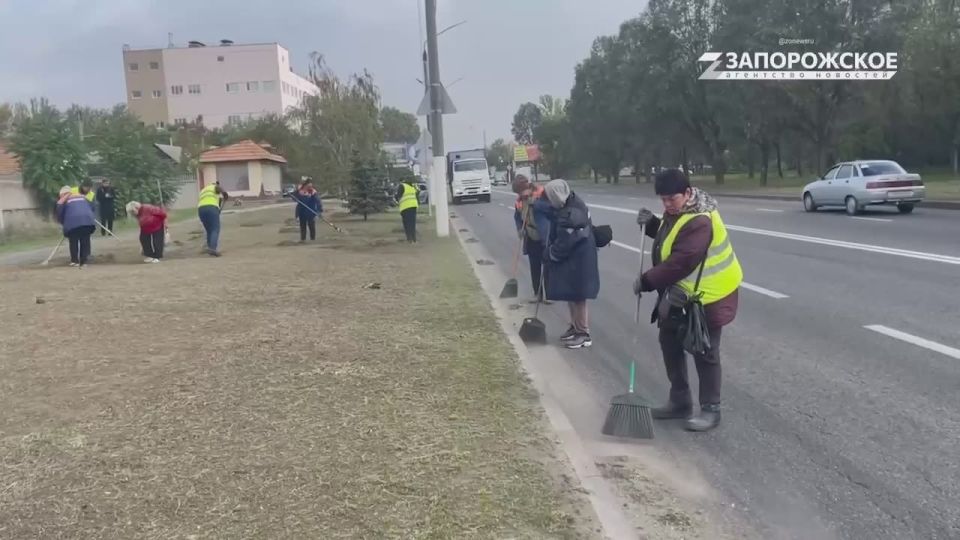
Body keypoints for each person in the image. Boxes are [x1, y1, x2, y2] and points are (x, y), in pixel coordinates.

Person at [633, 169, 742, 432]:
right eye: (663, 200)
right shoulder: (678, 214)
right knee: (669, 341)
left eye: (672, 199)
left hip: (710, 295)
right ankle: (680, 401)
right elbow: (672, 237)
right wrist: (652, 226)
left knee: (704, 350)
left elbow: (682, 260)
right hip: (682, 294)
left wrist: (647, 281)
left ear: (688, 193)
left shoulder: (700, 220)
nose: (668, 204)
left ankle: (711, 410)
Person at [542, 179, 600, 349]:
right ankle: (575, 327)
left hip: (580, 258)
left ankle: (583, 333)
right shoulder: (569, 203)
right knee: (571, 294)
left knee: (578, 295)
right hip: (575, 257)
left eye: (550, 197)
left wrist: (550, 253)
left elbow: (566, 241)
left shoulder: (573, 213)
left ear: (557, 196)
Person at [512, 173, 552, 304]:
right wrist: (519, 229)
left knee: (547, 266)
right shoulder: (519, 201)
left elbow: (551, 210)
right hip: (530, 236)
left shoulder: (542, 195)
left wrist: (535, 204)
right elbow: (517, 217)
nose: (521, 195)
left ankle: (549, 294)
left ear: (528, 186)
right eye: (518, 192)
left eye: (521, 191)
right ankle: (537, 294)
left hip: (544, 236)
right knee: (534, 267)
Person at [56, 185, 96, 268]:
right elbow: (92, 207)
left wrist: (64, 223)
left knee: (73, 241)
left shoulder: (63, 200)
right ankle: (84, 261)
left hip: (73, 223)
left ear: (62, 194)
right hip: (88, 222)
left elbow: (60, 213)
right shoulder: (82, 196)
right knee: (85, 241)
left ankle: (75, 261)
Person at [197, 181, 228, 256]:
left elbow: (218, 202)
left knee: (209, 230)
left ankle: (209, 248)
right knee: (215, 229)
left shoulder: (203, 191)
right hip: (211, 207)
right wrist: (224, 193)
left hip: (201, 209)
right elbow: (218, 188)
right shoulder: (214, 187)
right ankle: (213, 249)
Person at [395, 176, 420, 243]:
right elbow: (418, 192)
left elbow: (398, 196)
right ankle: (414, 239)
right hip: (413, 206)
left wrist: (397, 201)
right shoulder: (413, 186)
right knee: (412, 223)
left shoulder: (402, 186)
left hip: (405, 207)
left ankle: (409, 239)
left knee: (407, 223)